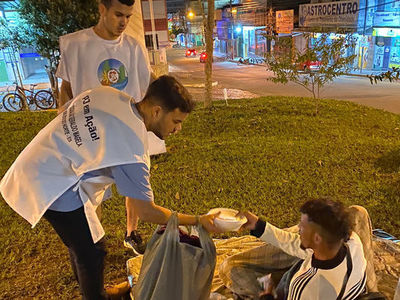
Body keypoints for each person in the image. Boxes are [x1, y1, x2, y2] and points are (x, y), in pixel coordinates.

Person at [0, 76, 220, 300]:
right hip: (52, 183)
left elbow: (68, 112)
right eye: (176, 121)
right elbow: (146, 211)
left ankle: (96, 293)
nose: (178, 129)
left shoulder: (109, 94)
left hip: (35, 163)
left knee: (81, 246)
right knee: (92, 252)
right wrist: (197, 220)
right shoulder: (132, 147)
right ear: (156, 111)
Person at [56, 0, 164, 255]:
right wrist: (61, 124)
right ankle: (94, 241)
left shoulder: (134, 47)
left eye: (128, 16)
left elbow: (149, 82)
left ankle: (131, 233)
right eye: (118, 14)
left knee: (133, 186)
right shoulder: (75, 45)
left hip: (126, 132)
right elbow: (66, 89)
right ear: (101, 9)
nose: (123, 23)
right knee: (92, 191)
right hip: (91, 133)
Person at [220, 198, 374, 300]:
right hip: (341, 284)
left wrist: (267, 296)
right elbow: (297, 244)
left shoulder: (304, 288)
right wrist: (259, 226)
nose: (298, 228)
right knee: (358, 211)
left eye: (302, 226)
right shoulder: (352, 242)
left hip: (288, 289)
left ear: (317, 239)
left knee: (231, 268)